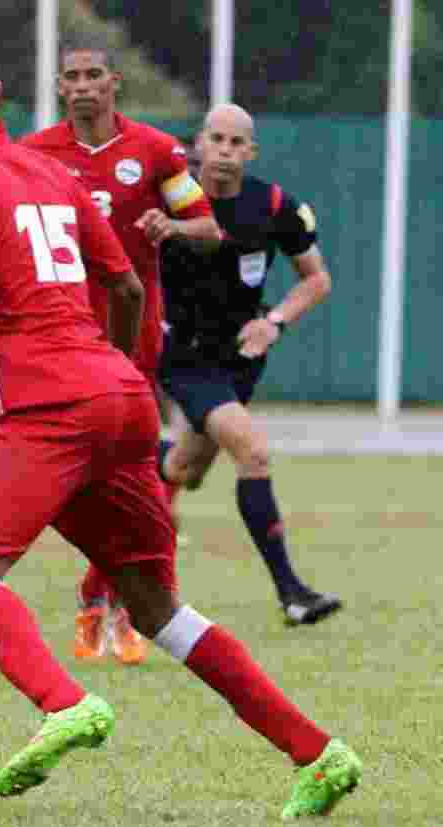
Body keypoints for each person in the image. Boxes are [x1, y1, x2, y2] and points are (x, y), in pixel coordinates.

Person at [0, 24, 360, 819]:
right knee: (156, 608)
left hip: (53, 403)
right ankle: (318, 752)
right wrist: (113, 372)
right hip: (119, 395)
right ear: (4, 98)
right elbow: (125, 289)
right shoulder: (50, 172)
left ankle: (62, 703)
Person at [22, 35, 223, 666]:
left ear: (114, 84)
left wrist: (174, 226)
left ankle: (120, 605)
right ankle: (98, 603)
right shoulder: (34, 154)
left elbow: (209, 227)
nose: (83, 85)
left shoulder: (156, 152)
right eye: (72, 76)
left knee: (136, 476)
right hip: (61, 340)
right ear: (60, 88)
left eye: (94, 75)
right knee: (84, 481)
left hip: (133, 340)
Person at [158, 103, 340, 626]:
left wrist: (275, 322)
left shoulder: (275, 204)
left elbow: (316, 279)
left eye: (237, 143)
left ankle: (139, 469)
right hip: (183, 357)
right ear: (198, 145)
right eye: (216, 139)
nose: (225, 152)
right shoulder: (170, 200)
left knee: (185, 470)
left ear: (250, 151)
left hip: (238, 359)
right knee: (252, 451)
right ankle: (293, 593)